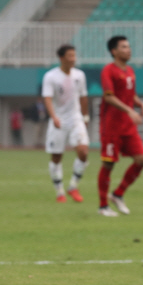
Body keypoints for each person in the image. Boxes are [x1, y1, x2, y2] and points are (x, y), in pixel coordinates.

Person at [97, 35, 143, 217]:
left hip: (128, 126)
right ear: (114, 51)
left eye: (129, 46)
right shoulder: (108, 71)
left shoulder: (130, 71)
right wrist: (129, 110)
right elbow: (108, 96)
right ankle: (103, 206)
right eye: (124, 47)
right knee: (108, 164)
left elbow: (130, 94)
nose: (129, 49)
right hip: (111, 126)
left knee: (141, 160)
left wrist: (140, 104)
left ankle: (118, 194)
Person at [41, 44, 90, 203]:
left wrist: (85, 116)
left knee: (83, 152)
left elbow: (83, 96)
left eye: (74, 55)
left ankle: (73, 186)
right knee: (56, 157)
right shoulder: (51, 76)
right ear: (62, 58)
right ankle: (59, 192)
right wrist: (54, 116)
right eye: (70, 56)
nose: (73, 59)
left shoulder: (80, 75)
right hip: (59, 120)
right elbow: (47, 98)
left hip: (75, 118)